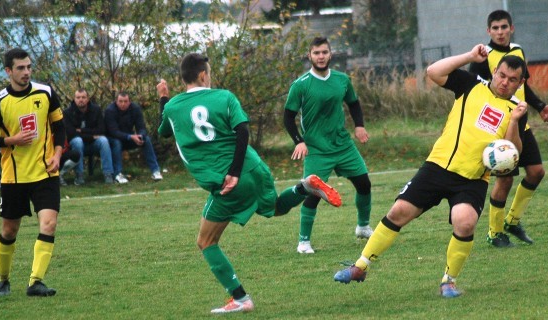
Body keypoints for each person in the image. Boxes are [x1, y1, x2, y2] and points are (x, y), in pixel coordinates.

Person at [333, 44, 528, 298]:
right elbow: (434, 71)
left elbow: (513, 152)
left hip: (472, 179)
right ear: (494, 71)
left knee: (465, 221)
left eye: (512, 80)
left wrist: (513, 122)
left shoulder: (518, 110)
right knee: (399, 211)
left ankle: (449, 281)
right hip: (437, 166)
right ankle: (360, 266)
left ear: (520, 82)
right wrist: (469, 56)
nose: (505, 83)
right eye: (501, 76)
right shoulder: (471, 85)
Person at [156, 53, 342, 314]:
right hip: (253, 167)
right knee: (274, 207)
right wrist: (238, 169)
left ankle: (240, 298)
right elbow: (242, 130)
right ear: (202, 75)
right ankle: (304, 188)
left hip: (227, 181)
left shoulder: (173, 107)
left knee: (206, 242)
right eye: (208, 72)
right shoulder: (224, 97)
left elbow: (163, 130)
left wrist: (163, 97)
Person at [468, 9, 548, 247]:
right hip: (499, 127)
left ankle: (512, 221)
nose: (500, 32)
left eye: (504, 27)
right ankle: (494, 232)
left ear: (511, 28)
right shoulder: (483, 56)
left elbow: (523, 87)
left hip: (521, 122)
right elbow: (474, 91)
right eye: (495, 28)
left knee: (537, 172)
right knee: (505, 180)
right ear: (489, 31)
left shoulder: (518, 51)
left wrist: (539, 106)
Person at [0, 47, 66, 297]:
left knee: (49, 224)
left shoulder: (46, 92)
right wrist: (11, 140)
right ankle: (3, 280)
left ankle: (35, 282)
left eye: (29, 67)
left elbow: (59, 127)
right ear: (8, 71)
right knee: (9, 231)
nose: (26, 72)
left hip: (45, 173)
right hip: (14, 177)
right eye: (20, 68)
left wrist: (57, 154)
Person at [283, 36, 373, 254]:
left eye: (324, 52)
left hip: (342, 145)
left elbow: (353, 103)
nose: (321, 56)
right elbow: (288, 117)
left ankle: (362, 227)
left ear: (330, 54)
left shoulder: (342, 80)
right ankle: (303, 242)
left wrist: (359, 125)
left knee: (364, 184)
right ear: (310, 56)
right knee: (313, 194)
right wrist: (300, 141)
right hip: (316, 149)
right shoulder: (301, 85)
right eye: (316, 53)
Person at [104, 92, 162, 183]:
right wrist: (130, 137)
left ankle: (155, 171)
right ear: (116, 101)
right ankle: (117, 174)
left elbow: (141, 127)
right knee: (117, 143)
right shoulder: (110, 111)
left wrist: (140, 136)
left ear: (129, 102)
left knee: (146, 140)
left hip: (129, 138)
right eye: (120, 101)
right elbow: (113, 132)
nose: (123, 104)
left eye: (125, 101)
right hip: (113, 139)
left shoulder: (135, 108)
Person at [63, 88, 114, 185]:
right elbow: (71, 133)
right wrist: (91, 136)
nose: (81, 100)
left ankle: (108, 174)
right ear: (74, 99)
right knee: (77, 141)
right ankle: (79, 176)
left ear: (87, 99)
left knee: (103, 140)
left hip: (93, 144)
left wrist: (82, 130)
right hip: (76, 146)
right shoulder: (67, 113)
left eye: (83, 97)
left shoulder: (96, 110)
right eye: (78, 97)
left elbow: (101, 130)